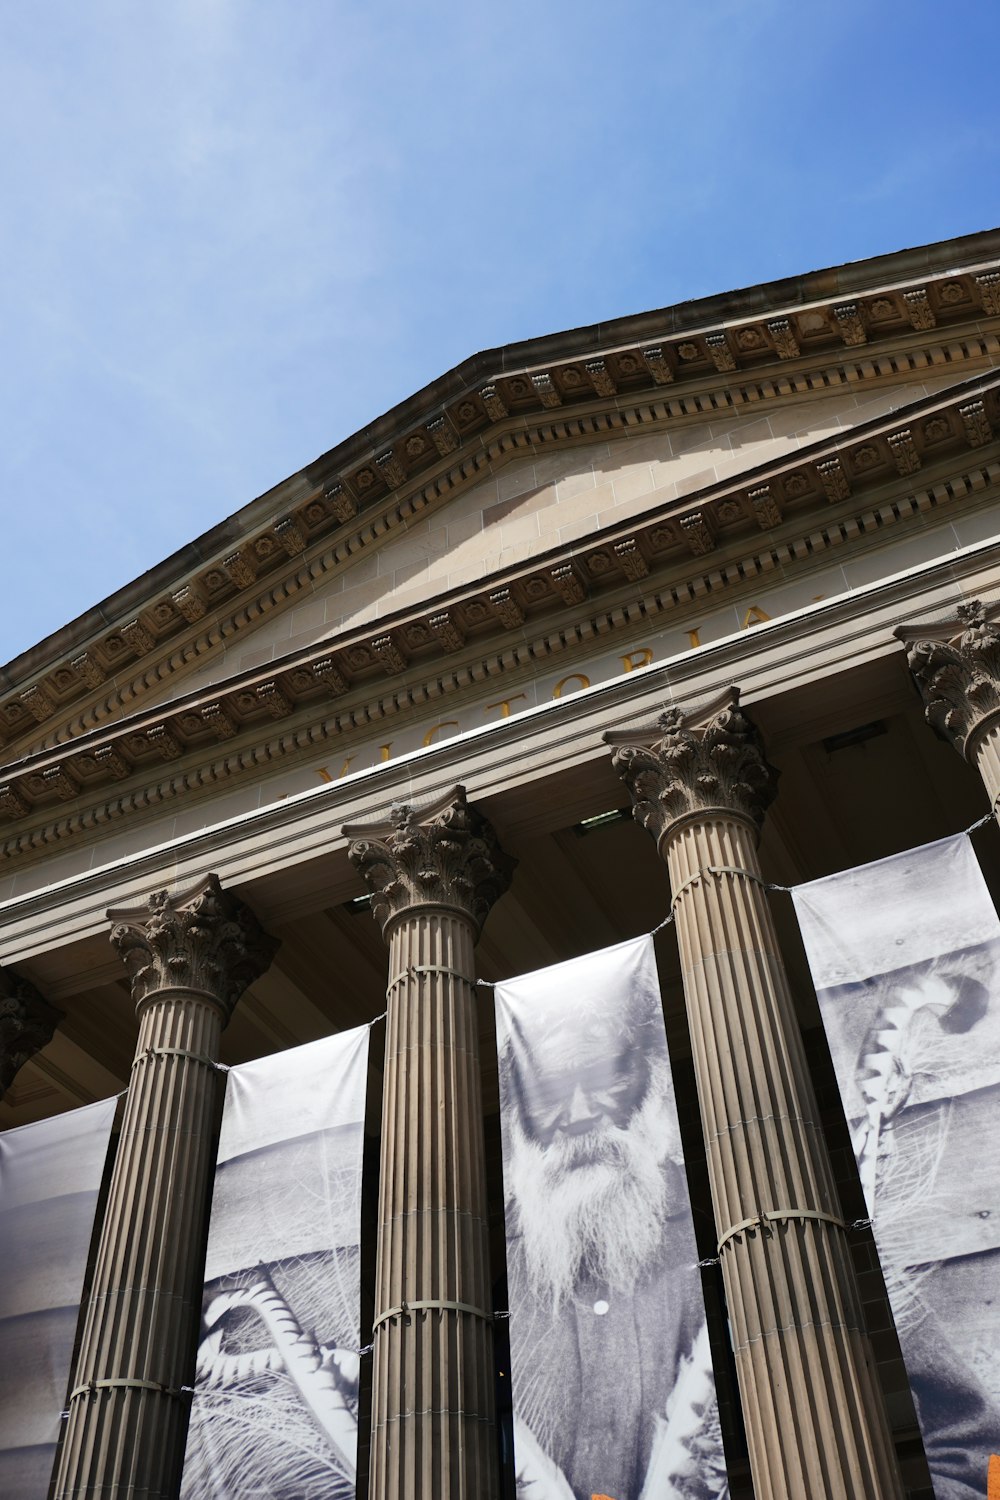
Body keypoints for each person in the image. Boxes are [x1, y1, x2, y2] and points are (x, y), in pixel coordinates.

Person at [498, 955, 728, 1500]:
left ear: (655, 1088)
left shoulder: (733, 1230)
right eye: (549, 1093)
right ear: (516, 1119)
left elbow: (956, 1453)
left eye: (602, 1080)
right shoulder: (480, 1275)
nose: (578, 1115)